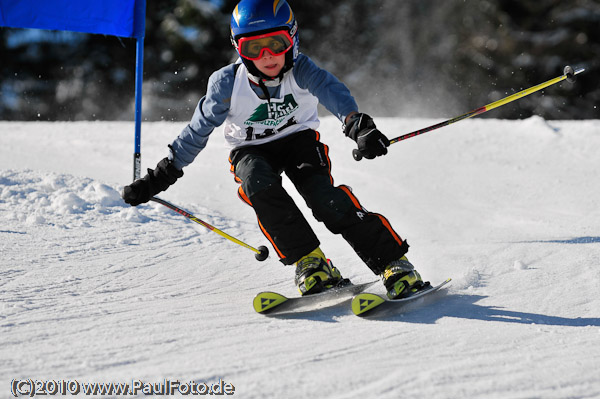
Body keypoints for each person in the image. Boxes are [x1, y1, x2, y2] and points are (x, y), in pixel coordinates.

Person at [122, 0, 429, 299]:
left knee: (324, 198)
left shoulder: (302, 69)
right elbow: (197, 131)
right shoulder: (226, 84)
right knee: (257, 183)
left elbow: (332, 93)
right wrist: (161, 175)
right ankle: (311, 263)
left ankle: (394, 263)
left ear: (292, 39)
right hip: (249, 148)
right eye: (254, 48)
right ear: (239, 49)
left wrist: (359, 126)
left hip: (298, 141)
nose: (267, 56)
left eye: (276, 43)